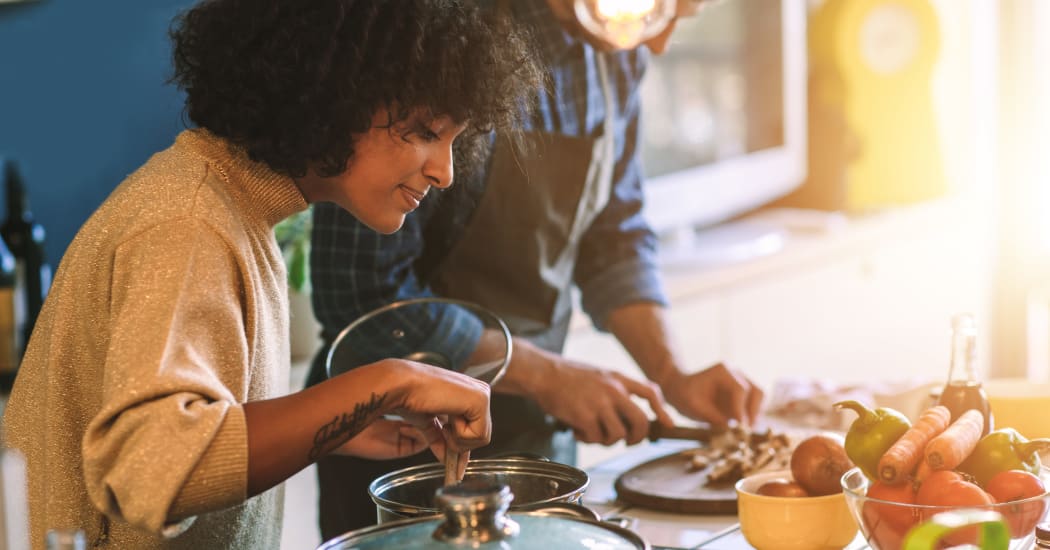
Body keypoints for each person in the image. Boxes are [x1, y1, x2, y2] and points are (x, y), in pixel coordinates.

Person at [1, 1, 543, 548]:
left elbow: (200, 419)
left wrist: (336, 427)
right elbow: (150, 468)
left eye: (455, 141)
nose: (445, 172)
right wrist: (387, 381)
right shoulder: (187, 222)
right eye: (427, 130)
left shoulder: (230, 210)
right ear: (335, 91)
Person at [307, 0, 766, 538]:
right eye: (656, 10)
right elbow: (365, 295)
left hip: (535, 441)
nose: (659, 44)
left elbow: (613, 235)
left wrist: (671, 374)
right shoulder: (427, 40)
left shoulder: (615, 56)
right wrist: (546, 376)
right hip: (403, 449)